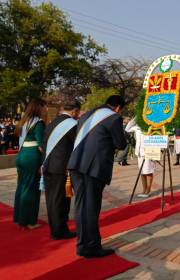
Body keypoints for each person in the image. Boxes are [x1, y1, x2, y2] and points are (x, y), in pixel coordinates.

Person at [68, 95, 127, 258]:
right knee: (91, 207)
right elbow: (121, 144)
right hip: (92, 168)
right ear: (118, 108)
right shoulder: (113, 118)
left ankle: (82, 244)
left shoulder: (87, 115)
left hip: (76, 165)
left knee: (81, 207)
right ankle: (91, 246)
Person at [42, 100, 81, 240]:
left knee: (51, 199)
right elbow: (77, 146)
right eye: (78, 113)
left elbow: (44, 144)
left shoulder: (52, 122)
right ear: (74, 111)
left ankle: (55, 229)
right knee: (61, 200)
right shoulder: (72, 125)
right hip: (61, 168)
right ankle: (60, 231)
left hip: (48, 165)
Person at [13, 98, 47, 230]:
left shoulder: (23, 121)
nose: (45, 110)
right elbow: (41, 146)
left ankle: (19, 218)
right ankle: (28, 221)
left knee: (22, 186)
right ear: (38, 108)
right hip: (32, 157)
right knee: (31, 188)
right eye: (44, 107)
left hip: (22, 155)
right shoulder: (38, 123)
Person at [125, 118, 156, 198]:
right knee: (142, 171)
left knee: (148, 171)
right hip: (139, 152)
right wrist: (135, 117)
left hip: (150, 150)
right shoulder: (137, 127)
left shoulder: (151, 125)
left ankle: (148, 190)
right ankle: (144, 189)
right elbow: (127, 129)